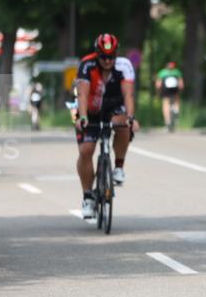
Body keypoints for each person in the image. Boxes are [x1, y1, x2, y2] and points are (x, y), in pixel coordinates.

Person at [74, 34, 139, 219]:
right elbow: (83, 96)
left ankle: (118, 166)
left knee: (124, 124)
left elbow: (128, 96)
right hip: (90, 107)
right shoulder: (87, 65)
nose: (108, 60)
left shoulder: (124, 65)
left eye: (111, 57)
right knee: (86, 150)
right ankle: (88, 197)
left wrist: (131, 118)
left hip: (113, 105)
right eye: (103, 57)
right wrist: (84, 117)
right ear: (97, 54)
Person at [155, 61, 184, 130]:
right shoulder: (177, 72)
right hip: (175, 90)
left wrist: (158, 91)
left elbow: (158, 84)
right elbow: (181, 84)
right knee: (176, 101)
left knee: (166, 104)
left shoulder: (162, 72)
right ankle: (176, 110)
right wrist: (180, 90)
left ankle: (167, 122)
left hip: (165, 90)